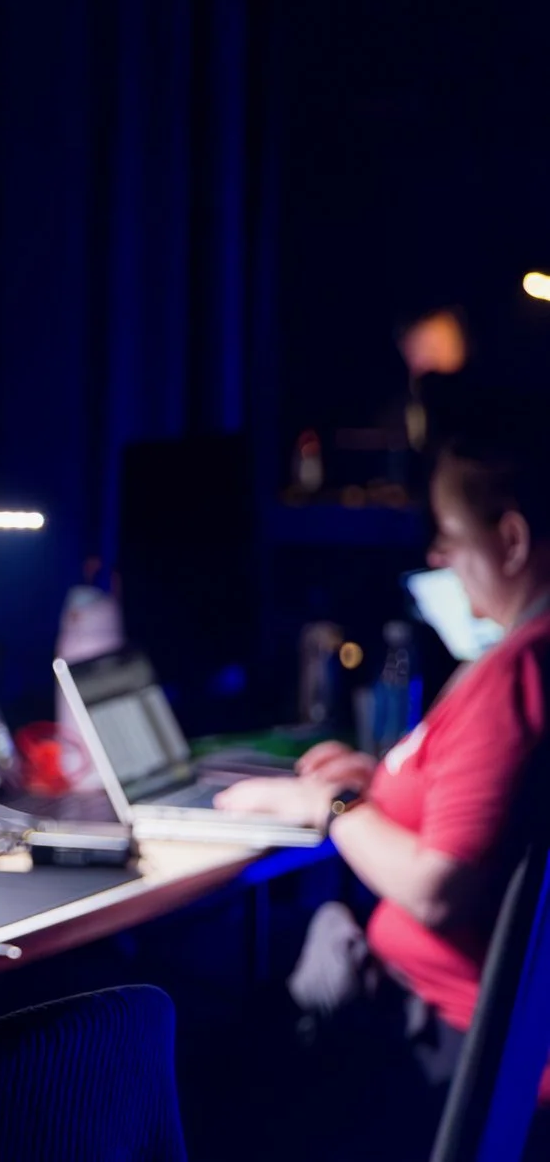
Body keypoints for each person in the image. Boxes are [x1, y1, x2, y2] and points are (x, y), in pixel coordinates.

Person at [215, 421, 549, 1122]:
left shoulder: (519, 672)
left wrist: (330, 806)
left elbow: (437, 893)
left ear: (512, 540)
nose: (437, 555)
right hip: (468, 1039)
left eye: (451, 536)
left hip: (451, 1053)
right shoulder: (525, 657)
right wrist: (384, 783)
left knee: (203, 1047)